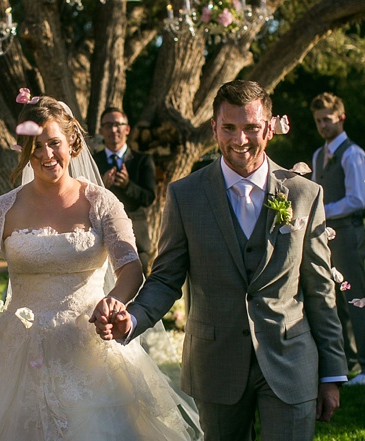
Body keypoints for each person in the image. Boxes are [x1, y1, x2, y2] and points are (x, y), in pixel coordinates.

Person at [93, 80, 347, 438]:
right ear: (214, 128)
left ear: (269, 128)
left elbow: (320, 290)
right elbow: (166, 279)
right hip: (215, 364)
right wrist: (132, 318)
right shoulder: (185, 196)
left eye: (251, 128)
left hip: (291, 361)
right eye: (229, 128)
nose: (240, 140)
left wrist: (332, 373)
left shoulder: (305, 194)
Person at [0, 96, 199, 440]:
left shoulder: (101, 202)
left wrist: (114, 301)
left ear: (72, 144)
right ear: (23, 150)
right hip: (20, 348)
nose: (47, 155)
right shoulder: (1, 209)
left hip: (89, 344)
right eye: (36, 147)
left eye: (54, 144)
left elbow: (131, 267)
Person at [310, 92, 365, 384]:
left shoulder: (353, 154)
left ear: (341, 118)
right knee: (333, 298)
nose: (323, 126)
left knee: (356, 295)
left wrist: (322, 211)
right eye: (318, 121)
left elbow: (358, 199)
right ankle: (346, 361)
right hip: (324, 237)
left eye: (328, 120)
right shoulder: (319, 155)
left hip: (349, 233)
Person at [93, 107, 157, 273]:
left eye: (118, 124)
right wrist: (102, 188)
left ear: (127, 129)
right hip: (100, 239)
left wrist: (128, 186)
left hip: (136, 238)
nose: (113, 129)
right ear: (101, 130)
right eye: (108, 125)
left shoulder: (143, 160)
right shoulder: (93, 162)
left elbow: (149, 197)